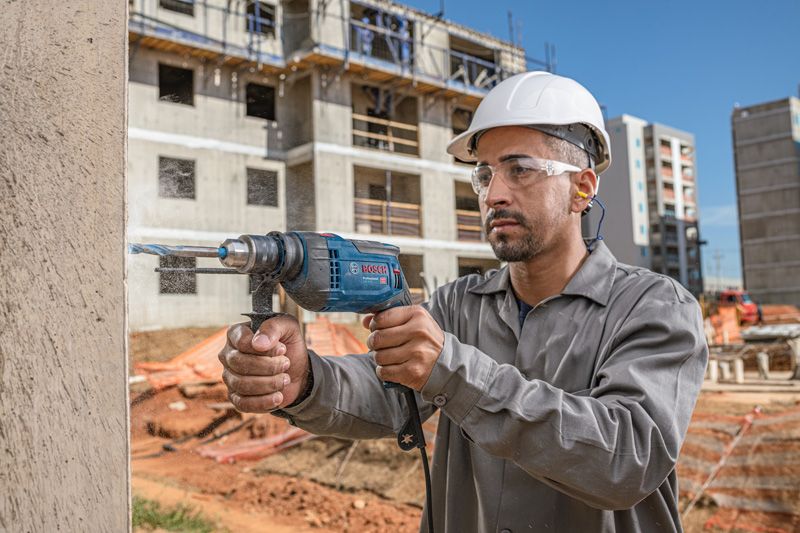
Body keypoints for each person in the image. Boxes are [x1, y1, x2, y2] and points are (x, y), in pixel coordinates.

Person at [219, 72, 708, 532]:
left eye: (520, 169)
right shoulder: (457, 305)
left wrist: (453, 371)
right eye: (484, 174)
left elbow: (626, 461)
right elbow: (386, 393)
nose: (493, 193)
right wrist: (303, 378)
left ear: (581, 188)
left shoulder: (654, 307)